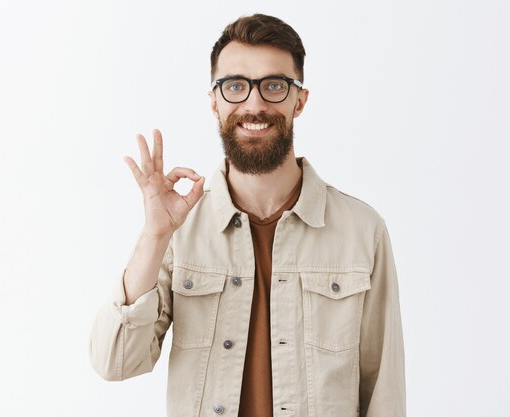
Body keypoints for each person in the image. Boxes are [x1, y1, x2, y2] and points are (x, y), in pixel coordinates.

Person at [89, 13, 406, 417]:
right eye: (235, 86)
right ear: (214, 102)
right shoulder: (178, 231)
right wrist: (154, 236)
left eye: (274, 85)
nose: (254, 104)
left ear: (300, 100)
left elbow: (385, 394)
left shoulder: (362, 230)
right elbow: (115, 361)